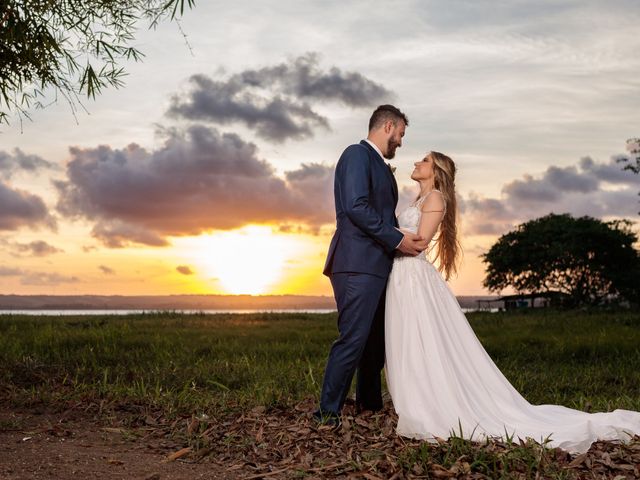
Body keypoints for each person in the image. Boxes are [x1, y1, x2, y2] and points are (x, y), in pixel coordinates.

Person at [384, 151, 640, 454]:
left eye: (424, 161)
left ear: (436, 171)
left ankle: (431, 402)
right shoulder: (417, 200)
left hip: (414, 278)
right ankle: (418, 397)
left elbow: (420, 243)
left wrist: (379, 229)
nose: (416, 163)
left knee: (421, 338)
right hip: (402, 277)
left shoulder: (436, 198)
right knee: (409, 339)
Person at [315, 105, 429, 426]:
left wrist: (405, 239)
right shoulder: (356, 155)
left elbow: (382, 216)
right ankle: (326, 414)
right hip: (356, 263)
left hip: (377, 265)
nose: (401, 143)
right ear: (388, 126)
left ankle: (369, 405)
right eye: (401, 135)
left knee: (375, 342)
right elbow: (356, 207)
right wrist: (396, 239)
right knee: (353, 337)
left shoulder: (379, 165)